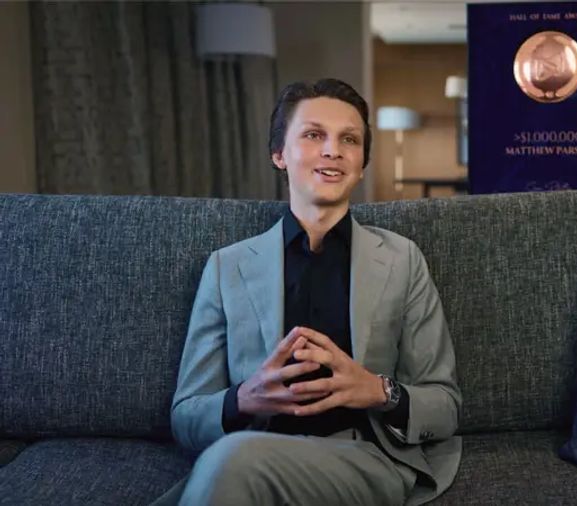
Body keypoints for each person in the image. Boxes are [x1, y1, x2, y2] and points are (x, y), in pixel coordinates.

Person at [168, 78, 462, 506]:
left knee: (233, 461)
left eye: (349, 139)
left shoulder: (402, 260)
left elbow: (445, 405)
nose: (333, 150)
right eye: (313, 135)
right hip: (252, 452)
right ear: (278, 154)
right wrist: (244, 399)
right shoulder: (226, 267)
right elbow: (186, 417)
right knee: (234, 460)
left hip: (364, 458)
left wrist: (378, 389)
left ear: (361, 163)